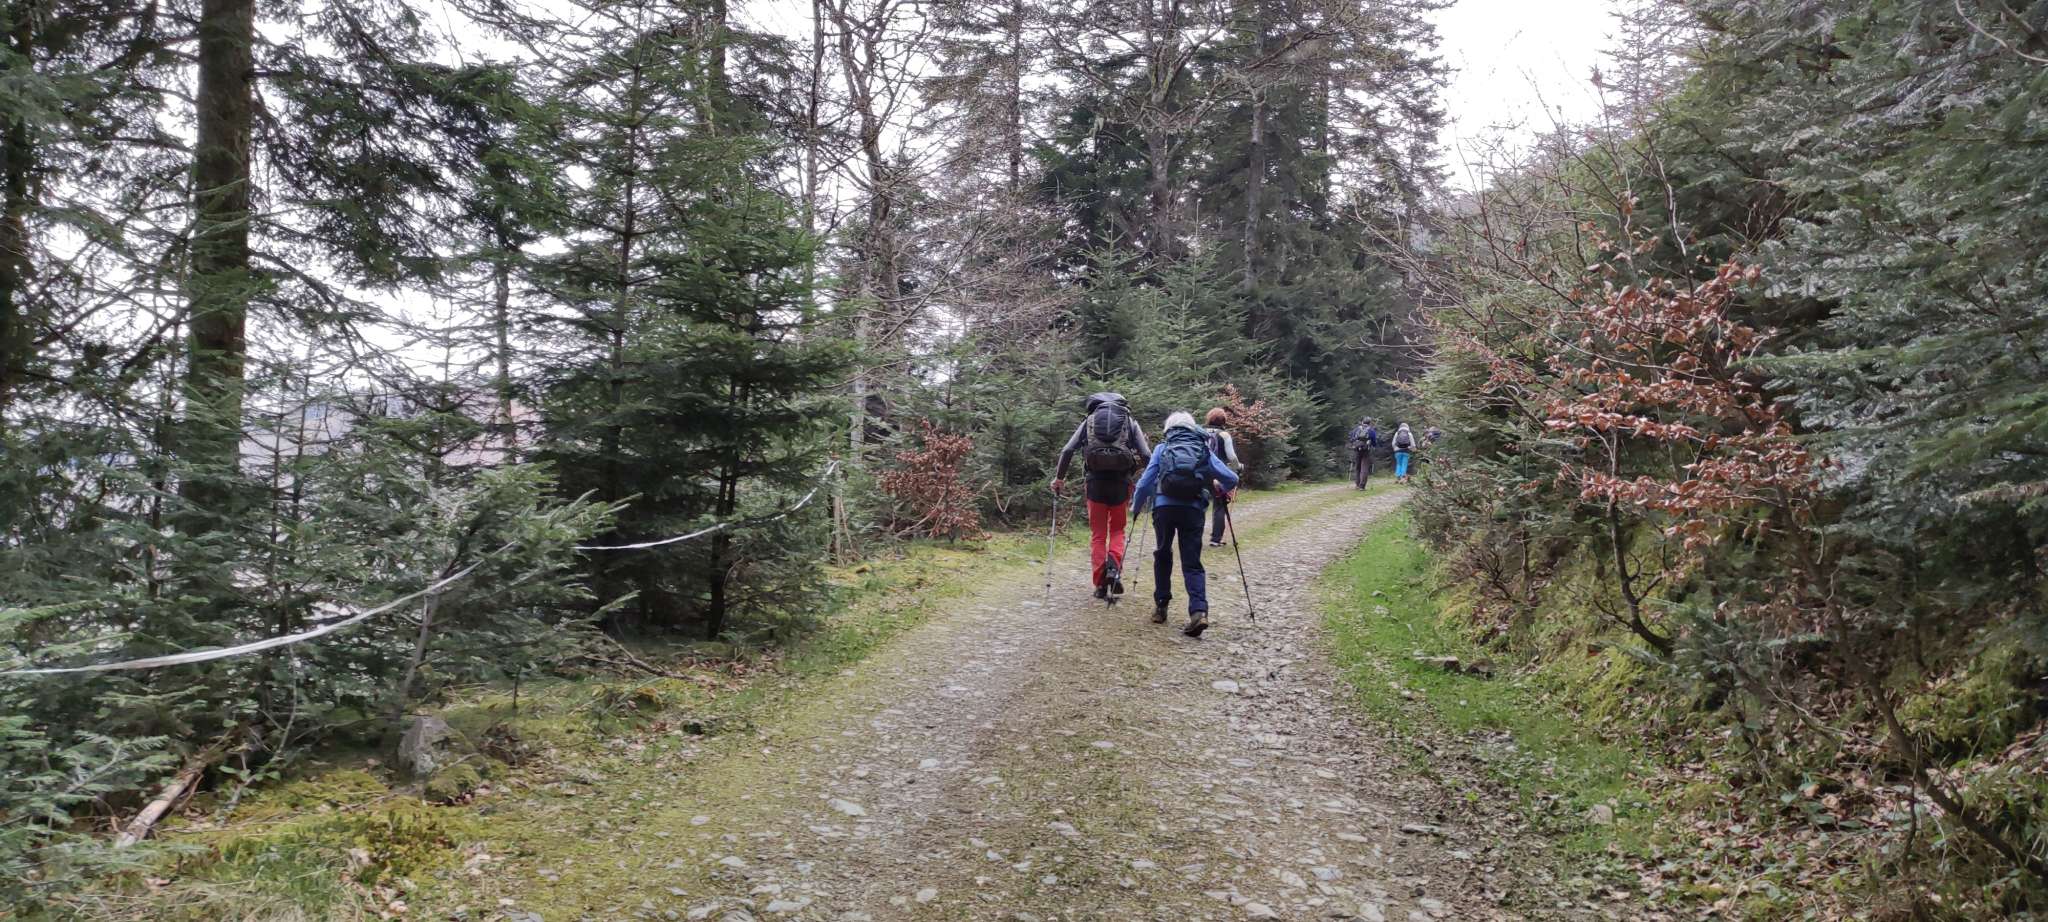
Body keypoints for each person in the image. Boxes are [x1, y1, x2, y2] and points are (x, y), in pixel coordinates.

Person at [1130, 412, 1240, 637]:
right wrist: (1220, 488)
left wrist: (1136, 507)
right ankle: (1199, 611)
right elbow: (1232, 478)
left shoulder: (1162, 448)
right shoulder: (1203, 449)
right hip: (1193, 509)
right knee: (1192, 561)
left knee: (1163, 553)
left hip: (1164, 508)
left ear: (1168, 429)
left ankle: (1161, 607)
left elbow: (1144, 483)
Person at [1051, 392, 1152, 600]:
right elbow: (1146, 454)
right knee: (1117, 530)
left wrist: (1059, 479)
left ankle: (1099, 584)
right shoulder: (1129, 421)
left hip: (1095, 483)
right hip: (1121, 484)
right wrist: (1150, 480)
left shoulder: (1089, 421)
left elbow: (1067, 450)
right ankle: (1113, 568)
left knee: (1098, 534)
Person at [1202, 407, 1241, 548]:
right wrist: (1237, 467)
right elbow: (1232, 457)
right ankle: (1215, 539)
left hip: (1201, 473)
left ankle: (1194, 536)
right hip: (1218, 474)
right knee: (1219, 505)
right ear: (1223, 420)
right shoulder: (1224, 435)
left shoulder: (1200, 432)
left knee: (1199, 504)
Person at [1347, 417, 1380, 489]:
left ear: (1362, 422)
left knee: (1357, 467)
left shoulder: (1356, 429)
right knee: (1364, 467)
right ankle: (1362, 486)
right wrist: (1374, 446)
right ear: (1370, 423)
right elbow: (1374, 442)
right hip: (1366, 450)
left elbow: (1351, 438)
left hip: (1357, 449)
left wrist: (1354, 443)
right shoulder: (1371, 430)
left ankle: (1357, 484)